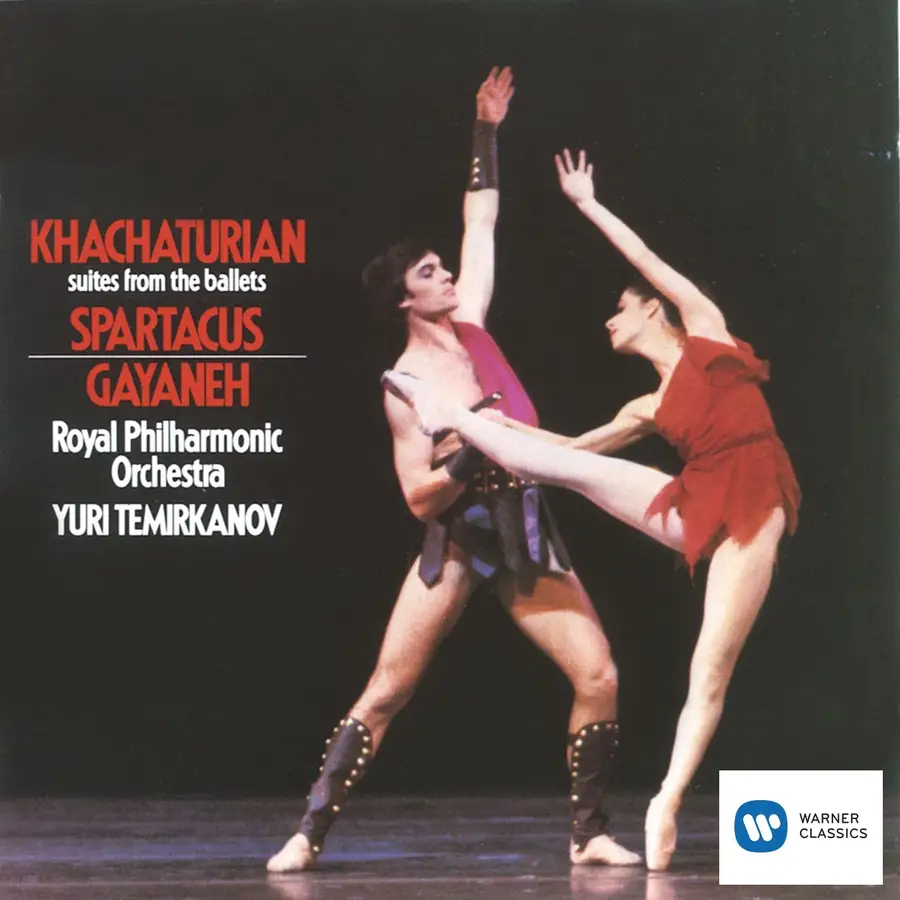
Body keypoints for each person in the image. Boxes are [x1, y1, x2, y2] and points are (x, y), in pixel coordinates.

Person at [381, 147, 801, 872]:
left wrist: (587, 203)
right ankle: (450, 414)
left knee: (710, 668)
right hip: (691, 503)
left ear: (651, 309)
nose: (610, 321)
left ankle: (666, 799)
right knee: (577, 470)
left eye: (619, 309)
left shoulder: (707, 332)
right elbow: (570, 451)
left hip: (754, 509)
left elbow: (645, 258)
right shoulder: (648, 406)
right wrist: (494, 426)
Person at [267, 74, 640, 874]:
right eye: (430, 272)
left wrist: (485, 131)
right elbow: (418, 497)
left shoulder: (473, 326)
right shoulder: (405, 385)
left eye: (443, 268)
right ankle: (307, 833)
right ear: (405, 300)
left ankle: (588, 834)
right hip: (461, 537)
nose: (447, 276)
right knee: (387, 690)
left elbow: (482, 218)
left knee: (598, 673)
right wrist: (478, 443)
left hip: (525, 529)